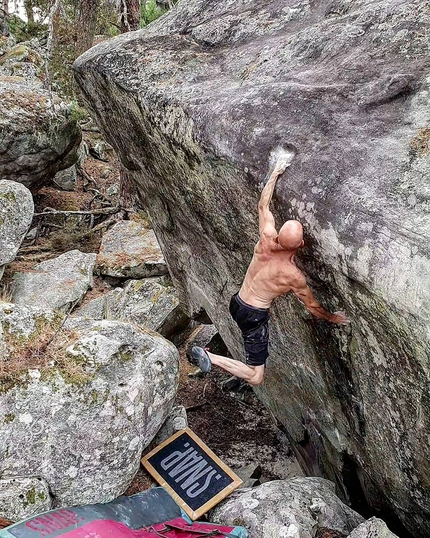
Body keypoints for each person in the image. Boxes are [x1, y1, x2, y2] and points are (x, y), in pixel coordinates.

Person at [191, 151, 349, 386]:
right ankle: (210, 357)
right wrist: (333, 318)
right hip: (254, 316)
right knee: (256, 376)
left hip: (237, 302)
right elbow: (313, 307)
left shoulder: (266, 239)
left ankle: (235, 373)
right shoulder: (292, 275)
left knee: (251, 351)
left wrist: (277, 170)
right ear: (302, 245)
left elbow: (263, 205)